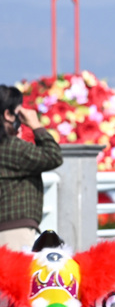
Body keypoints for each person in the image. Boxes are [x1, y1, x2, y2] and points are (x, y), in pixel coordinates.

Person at [0, 85, 63, 249]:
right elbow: (53, 156)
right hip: (13, 229)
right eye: (18, 112)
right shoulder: (11, 147)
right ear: (8, 114)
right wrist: (36, 125)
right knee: (15, 275)